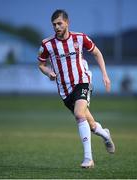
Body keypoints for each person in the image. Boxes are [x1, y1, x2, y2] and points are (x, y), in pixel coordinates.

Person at [38, 9, 115, 168]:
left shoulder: (80, 38)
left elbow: (97, 53)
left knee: (79, 115)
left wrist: (105, 75)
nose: (57, 27)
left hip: (82, 81)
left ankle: (89, 159)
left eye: (60, 23)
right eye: (54, 25)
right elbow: (41, 64)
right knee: (91, 124)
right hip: (65, 90)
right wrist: (48, 73)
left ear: (67, 22)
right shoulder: (47, 44)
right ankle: (105, 135)